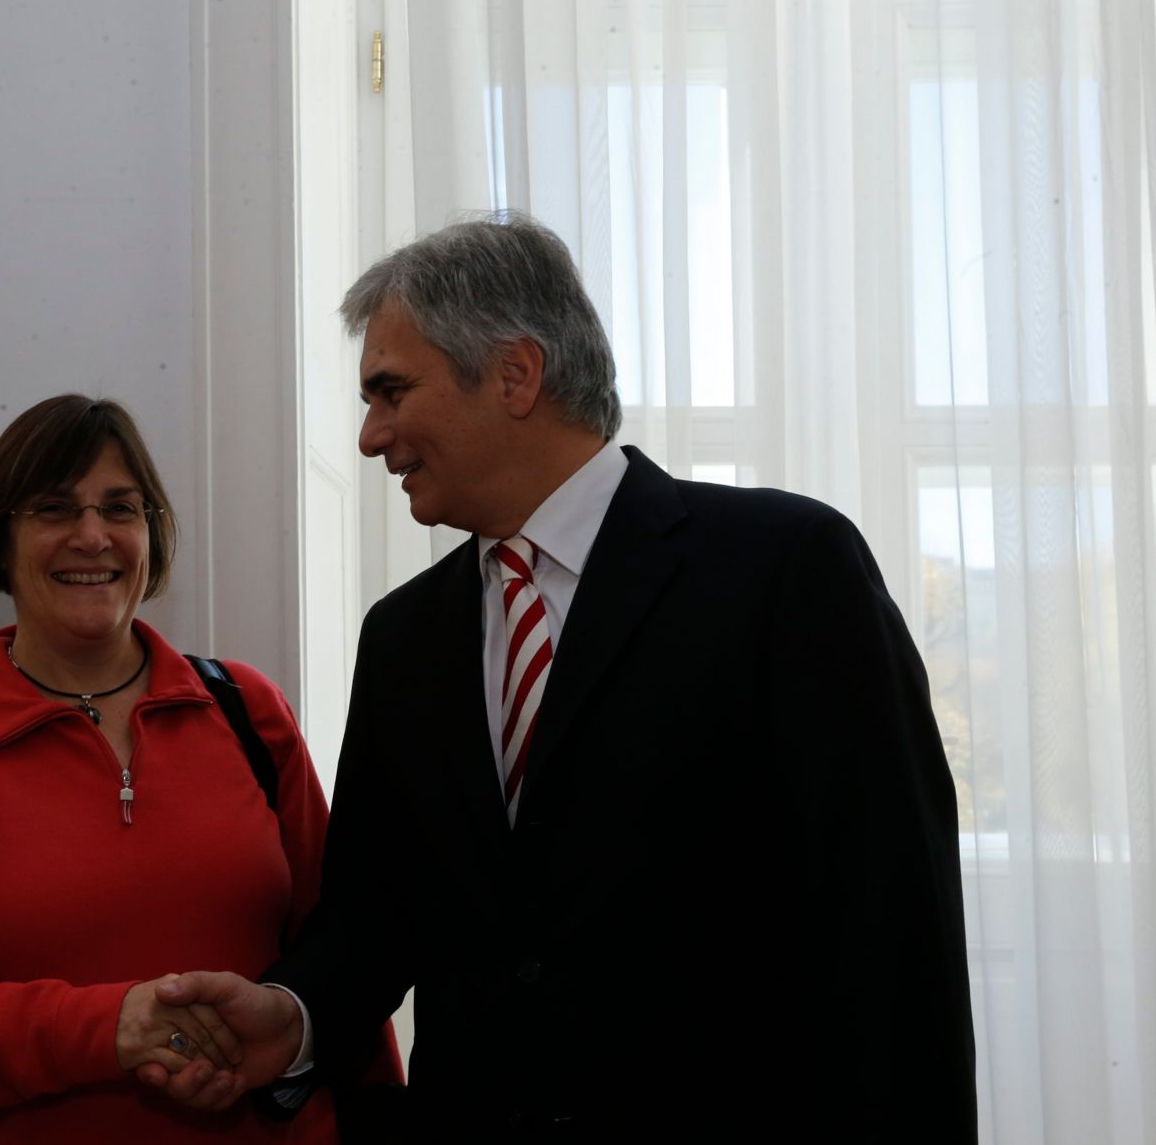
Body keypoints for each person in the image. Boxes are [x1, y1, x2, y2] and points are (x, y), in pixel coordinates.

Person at [144, 213, 978, 1141]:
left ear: (514, 374)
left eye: (391, 391)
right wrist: (293, 1016)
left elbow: (892, 926)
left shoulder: (785, 568)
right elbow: (379, 911)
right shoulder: (403, 638)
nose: (372, 437)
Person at [0, 394, 400, 1144]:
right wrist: (103, 1027)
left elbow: (346, 945)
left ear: (151, 535)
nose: (92, 537)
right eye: (55, 509)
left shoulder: (249, 710)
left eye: (121, 507)